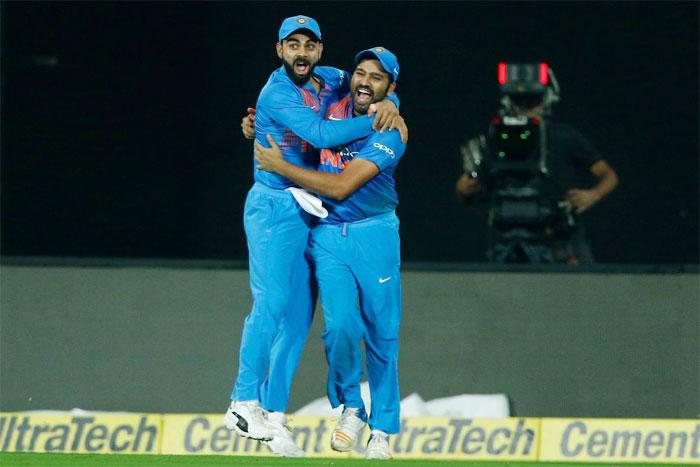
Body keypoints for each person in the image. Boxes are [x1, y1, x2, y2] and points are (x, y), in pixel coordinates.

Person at [224, 15, 406, 457]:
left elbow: (374, 85)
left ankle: (275, 416)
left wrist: (392, 104)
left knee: (299, 322)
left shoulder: (331, 78)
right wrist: (384, 118)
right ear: (279, 49)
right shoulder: (278, 92)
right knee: (273, 303)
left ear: (321, 51)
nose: (301, 53)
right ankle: (243, 401)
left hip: (320, 212)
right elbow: (322, 134)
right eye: (292, 44)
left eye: (309, 45)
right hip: (278, 205)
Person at [455, 93, 618, 264]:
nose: (526, 107)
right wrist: (463, 188)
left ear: (545, 101)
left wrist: (592, 195)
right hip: (507, 239)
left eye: (532, 101)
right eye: (519, 101)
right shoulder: (496, 140)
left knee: (578, 288)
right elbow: (470, 190)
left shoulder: (563, 137)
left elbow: (609, 175)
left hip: (559, 238)